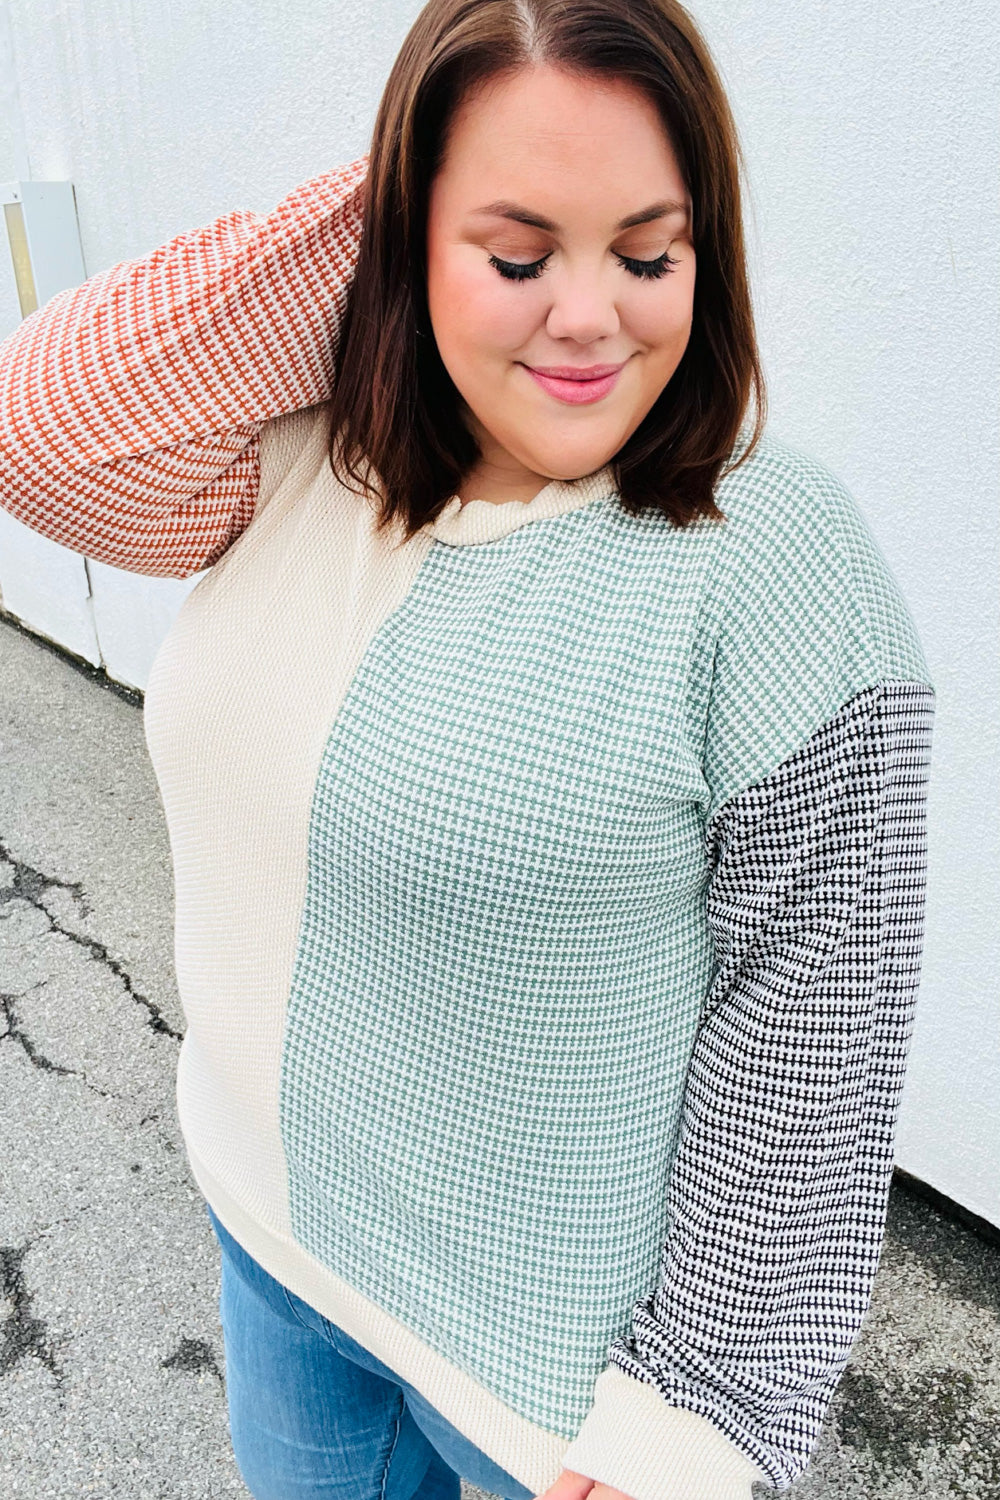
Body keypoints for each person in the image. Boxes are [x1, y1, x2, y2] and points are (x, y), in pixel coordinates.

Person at [0, 1, 935, 1497]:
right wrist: (390, 201)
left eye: (649, 254)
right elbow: (48, 431)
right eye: (518, 255)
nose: (592, 316)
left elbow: (818, 1016)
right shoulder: (307, 465)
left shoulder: (771, 552)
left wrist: (693, 1421)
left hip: (548, 1387)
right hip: (274, 1239)